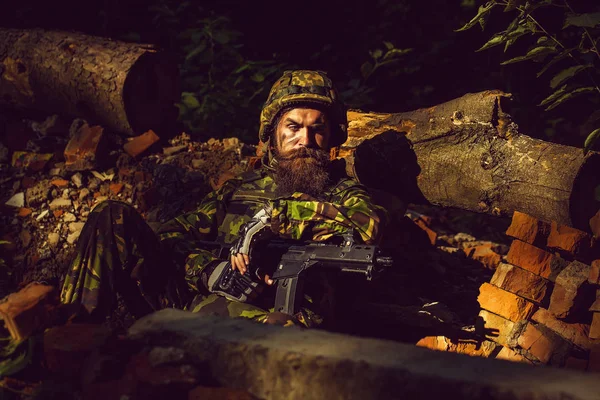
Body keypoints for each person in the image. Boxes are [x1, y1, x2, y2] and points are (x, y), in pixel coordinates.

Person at [60, 70, 387, 328]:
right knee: (111, 214)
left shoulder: (341, 194)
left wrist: (274, 218)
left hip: (277, 327)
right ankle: (71, 331)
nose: (305, 139)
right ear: (272, 133)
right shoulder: (237, 191)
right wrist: (207, 271)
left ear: (331, 136)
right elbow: (169, 237)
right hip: (195, 308)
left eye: (318, 129)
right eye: (293, 127)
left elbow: (368, 229)